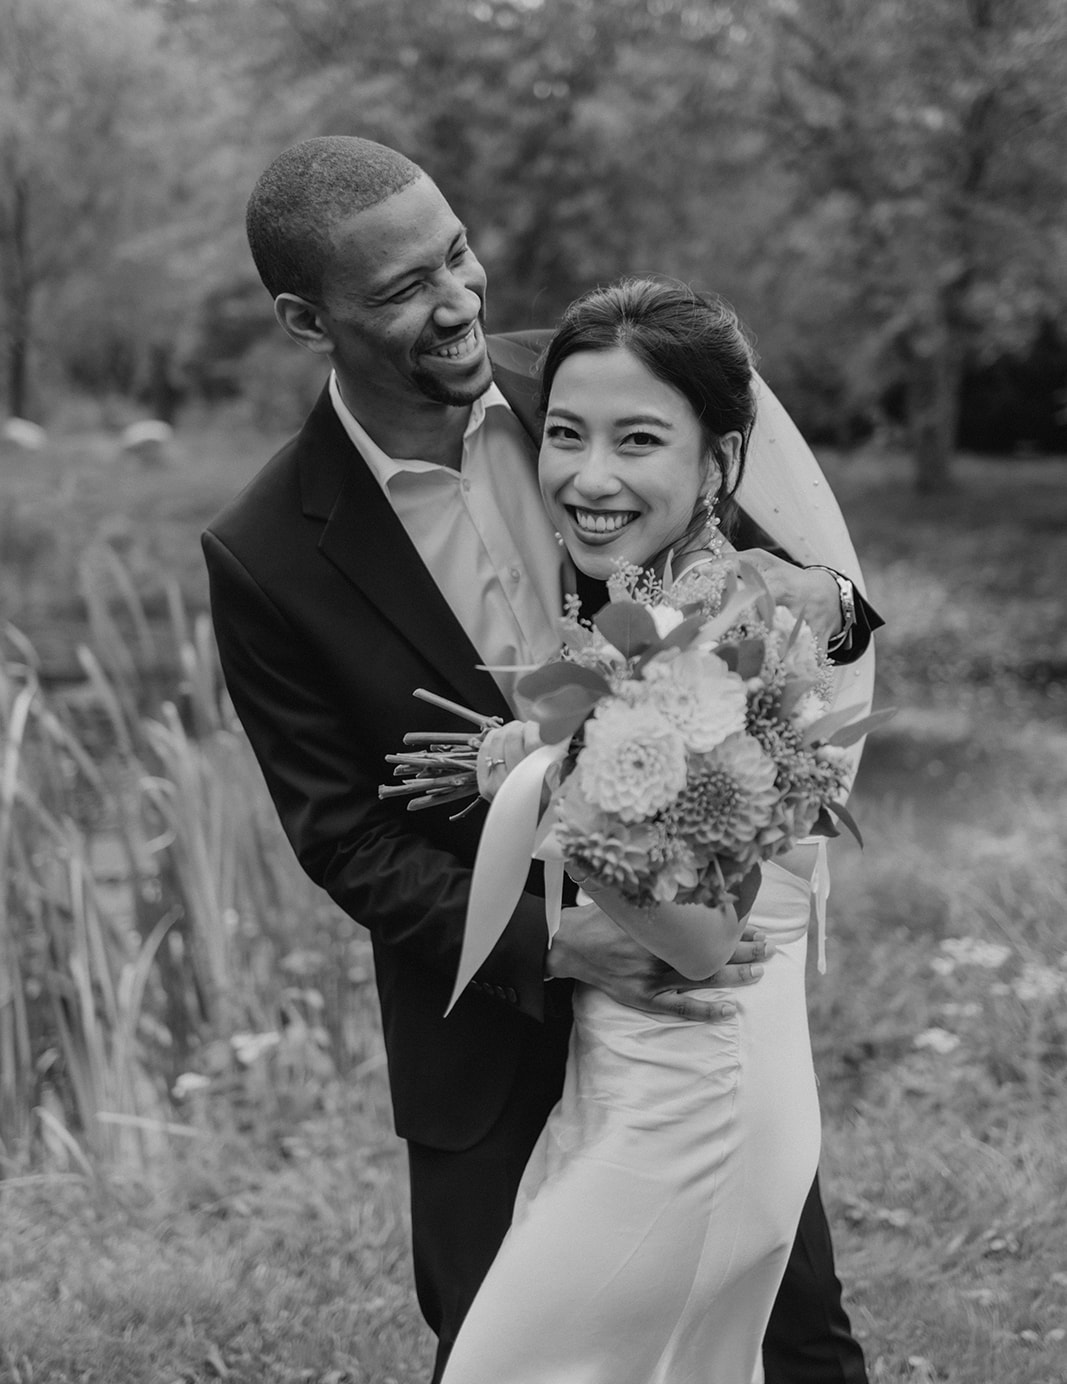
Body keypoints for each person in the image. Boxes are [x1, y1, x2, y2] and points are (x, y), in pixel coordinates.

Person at [202, 136, 878, 1383]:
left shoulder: (590, 385)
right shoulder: (263, 552)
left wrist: (810, 595)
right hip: (485, 1019)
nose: (457, 300)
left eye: (455, 253)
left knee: (788, 1338)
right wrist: (554, 940)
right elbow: (343, 837)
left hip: (695, 976)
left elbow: (804, 601)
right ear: (308, 319)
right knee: (502, 1347)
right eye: (403, 289)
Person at [442, 277, 868, 1384]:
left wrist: (531, 785)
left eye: (637, 440)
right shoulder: (662, 602)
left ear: (718, 462)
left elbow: (696, 939)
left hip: (695, 1094)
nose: (587, 476)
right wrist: (546, 747)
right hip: (647, 1072)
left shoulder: (720, 635)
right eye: (566, 435)